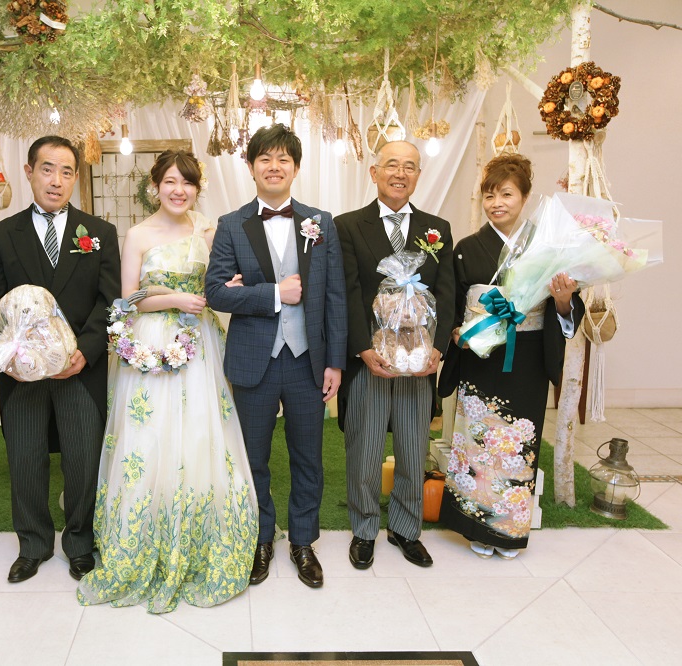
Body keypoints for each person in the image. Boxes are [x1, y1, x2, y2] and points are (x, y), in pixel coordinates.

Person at [77, 151, 258, 613]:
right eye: (171, 182)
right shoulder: (138, 234)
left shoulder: (209, 229)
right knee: (149, 434)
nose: (180, 190)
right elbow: (129, 299)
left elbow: (219, 284)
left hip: (200, 343)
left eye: (188, 183)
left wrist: (228, 288)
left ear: (198, 188)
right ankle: (144, 530)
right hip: (152, 341)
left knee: (200, 431)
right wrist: (176, 298)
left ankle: (200, 534)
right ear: (155, 186)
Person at [205, 124, 347, 589]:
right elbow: (215, 292)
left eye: (283, 158)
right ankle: (261, 538)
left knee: (308, 456)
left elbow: (335, 296)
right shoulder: (231, 224)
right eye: (265, 158)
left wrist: (335, 361)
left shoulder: (321, 222)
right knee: (254, 457)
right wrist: (273, 293)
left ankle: (303, 542)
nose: (274, 166)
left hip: (308, 360)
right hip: (254, 359)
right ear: (251, 166)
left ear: (296, 167)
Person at [0, 136, 121, 584]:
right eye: (47, 169)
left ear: (75, 178)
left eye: (66, 171)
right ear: (29, 172)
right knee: (25, 459)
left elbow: (110, 302)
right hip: (23, 375)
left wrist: (85, 352)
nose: (56, 180)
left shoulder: (99, 233)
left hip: (80, 370)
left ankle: (79, 542)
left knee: (83, 460)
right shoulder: (2, 234)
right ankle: (33, 545)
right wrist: (13, 357)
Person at [438, 153, 583, 559]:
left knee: (518, 441)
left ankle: (510, 530)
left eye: (506, 194)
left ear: (524, 197)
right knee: (478, 439)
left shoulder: (546, 247)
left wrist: (563, 300)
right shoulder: (467, 248)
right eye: (489, 195)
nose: (496, 203)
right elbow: (454, 303)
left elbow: (567, 310)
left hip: (528, 357)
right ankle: (475, 524)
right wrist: (456, 332)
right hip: (480, 355)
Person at [335, 140, 455, 570]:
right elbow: (347, 291)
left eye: (409, 166)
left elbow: (447, 292)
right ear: (374, 172)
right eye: (391, 165)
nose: (400, 173)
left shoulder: (436, 228)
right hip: (371, 358)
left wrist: (436, 349)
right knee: (365, 451)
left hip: (419, 360)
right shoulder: (348, 225)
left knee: (412, 447)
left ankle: (406, 528)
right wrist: (363, 349)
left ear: (418, 175)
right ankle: (365, 528)